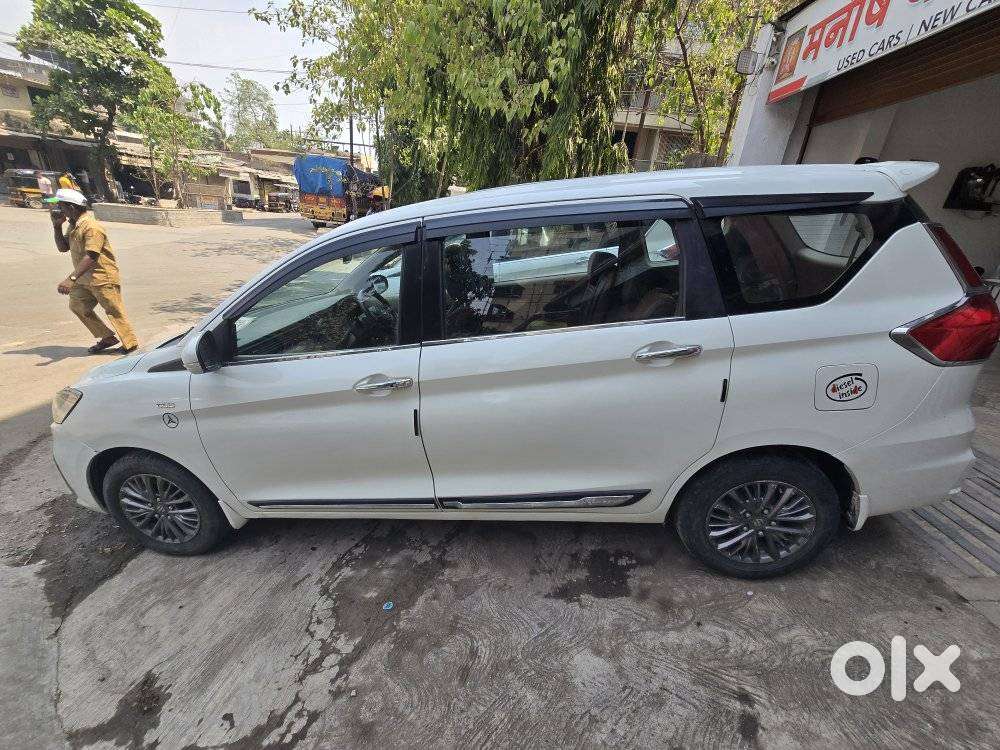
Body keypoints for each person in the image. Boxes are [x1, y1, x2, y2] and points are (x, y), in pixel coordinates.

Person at [47, 188, 139, 354]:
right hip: (84, 279)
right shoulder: (74, 225)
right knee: (77, 305)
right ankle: (107, 337)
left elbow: (92, 256)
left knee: (114, 309)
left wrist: (71, 278)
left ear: (71, 207)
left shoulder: (91, 227)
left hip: (102, 277)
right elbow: (63, 248)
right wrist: (56, 227)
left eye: (61, 206)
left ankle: (130, 344)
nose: (59, 210)